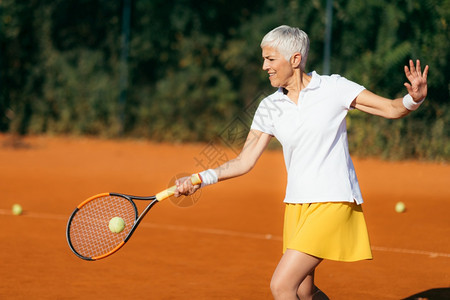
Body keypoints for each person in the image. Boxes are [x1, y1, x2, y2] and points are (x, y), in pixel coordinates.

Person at [174, 25, 429, 300]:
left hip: (333, 200)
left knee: (282, 286)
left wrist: (413, 100)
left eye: (270, 59)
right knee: (305, 292)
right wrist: (200, 178)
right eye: (264, 59)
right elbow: (244, 160)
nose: (264, 66)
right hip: (296, 205)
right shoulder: (269, 107)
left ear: (295, 59)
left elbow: (390, 109)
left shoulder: (333, 87)